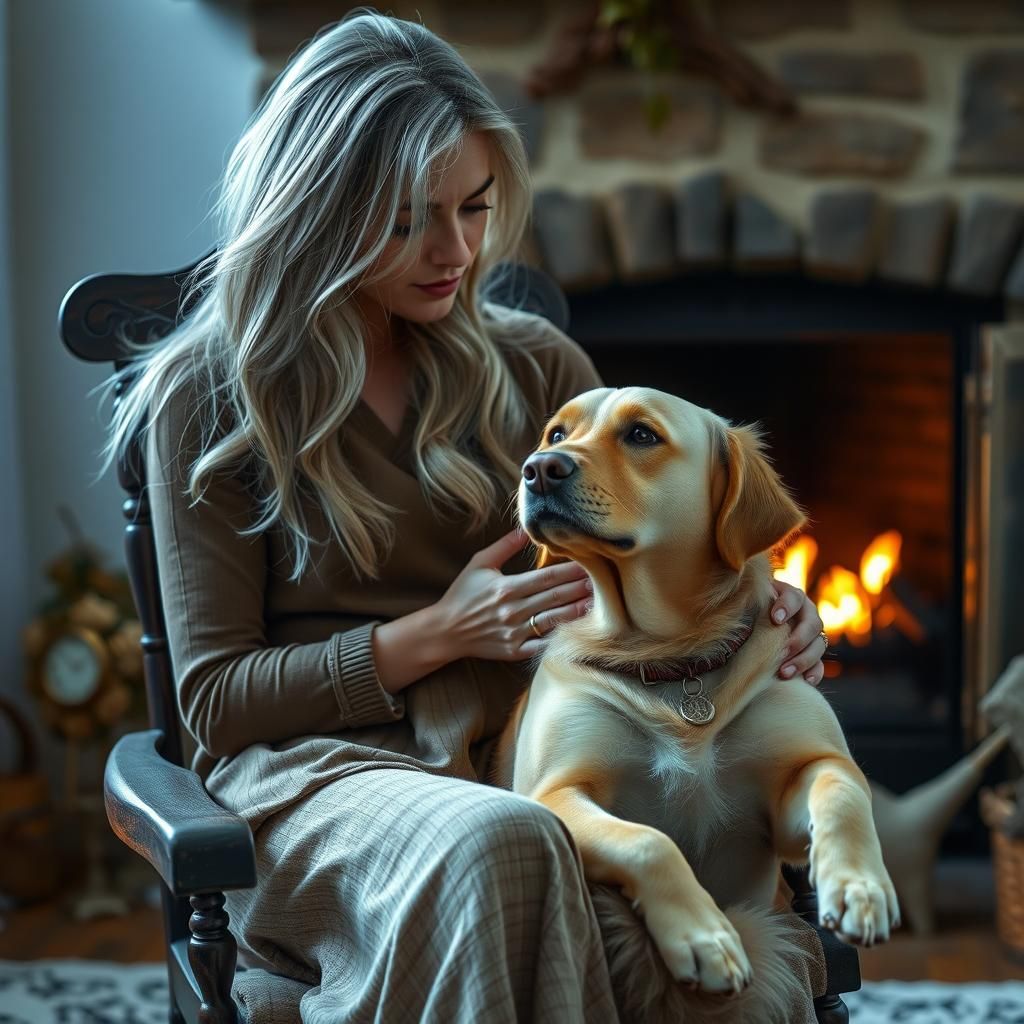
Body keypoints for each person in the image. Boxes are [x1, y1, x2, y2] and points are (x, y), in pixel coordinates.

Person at [99, 9, 827, 1022]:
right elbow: (215, 700)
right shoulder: (213, 395)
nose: (453, 251)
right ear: (315, 207)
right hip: (313, 775)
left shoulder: (539, 368)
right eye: (406, 220)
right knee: (510, 841)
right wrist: (437, 635)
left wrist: (768, 615)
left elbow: (647, 570)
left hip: (523, 746)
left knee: (682, 897)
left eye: (474, 207)